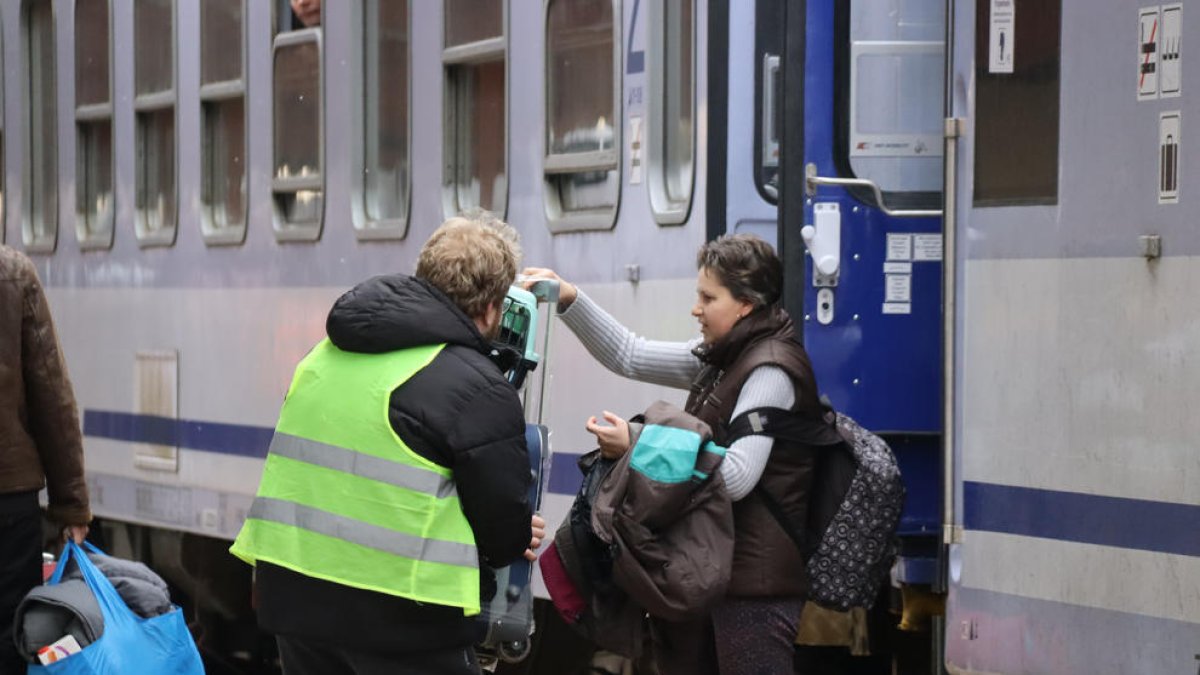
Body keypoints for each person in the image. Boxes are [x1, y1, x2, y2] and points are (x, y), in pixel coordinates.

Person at [231, 213, 545, 675]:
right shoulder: (478, 386)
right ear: (492, 310)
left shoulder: (323, 356)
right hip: (404, 619)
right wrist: (520, 532)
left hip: (295, 603)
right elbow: (500, 534)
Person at [524, 234, 823, 675]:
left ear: (745, 305)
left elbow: (739, 475)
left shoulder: (771, 370)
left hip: (752, 589)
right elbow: (629, 354)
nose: (695, 308)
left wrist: (640, 444)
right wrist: (571, 299)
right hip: (711, 574)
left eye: (708, 297)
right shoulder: (722, 357)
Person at [0, 245, 91, 674]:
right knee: (11, 636)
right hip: (9, 501)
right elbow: (51, 395)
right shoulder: (13, 274)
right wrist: (70, 504)